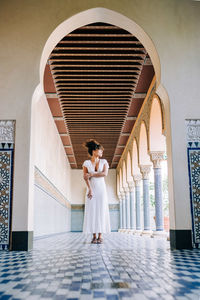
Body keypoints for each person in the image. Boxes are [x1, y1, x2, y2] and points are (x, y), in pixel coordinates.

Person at [82, 139, 111, 244]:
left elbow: (104, 174)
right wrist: (89, 189)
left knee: (101, 210)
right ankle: (94, 236)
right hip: (91, 189)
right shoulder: (86, 163)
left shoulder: (104, 162)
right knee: (92, 211)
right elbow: (85, 177)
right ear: (94, 151)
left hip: (101, 189)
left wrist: (92, 174)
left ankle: (100, 236)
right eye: (100, 150)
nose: (102, 152)